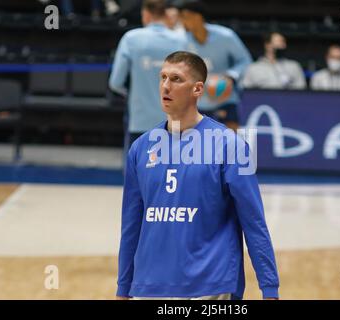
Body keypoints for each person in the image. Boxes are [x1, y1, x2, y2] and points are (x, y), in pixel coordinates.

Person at [116, 51, 279, 300]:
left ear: (197, 89)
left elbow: (253, 222)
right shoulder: (141, 148)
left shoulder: (230, 145)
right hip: (150, 285)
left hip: (210, 284)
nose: (166, 86)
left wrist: (269, 288)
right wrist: (123, 287)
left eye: (176, 79)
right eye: (162, 77)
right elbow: (131, 224)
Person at [109, 0, 186, 151]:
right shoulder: (182, 40)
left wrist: (131, 94)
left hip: (140, 121)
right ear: (165, 14)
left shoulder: (131, 39)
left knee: (137, 172)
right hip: (174, 122)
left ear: (145, 14)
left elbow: (115, 82)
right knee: (172, 172)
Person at [172, 0, 252, 131]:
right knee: (197, 147)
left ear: (197, 17)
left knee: (230, 144)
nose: (182, 21)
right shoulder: (182, 41)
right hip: (197, 101)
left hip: (225, 98)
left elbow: (245, 60)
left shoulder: (226, 36)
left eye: (184, 17)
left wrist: (230, 76)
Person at [242, 32, 306, 90]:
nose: (284, 45)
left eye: (284, 42)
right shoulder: (253, 68)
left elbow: (301, 89)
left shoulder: (294, 66)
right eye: (280, 41)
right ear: (267, 45)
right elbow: (246, 92)